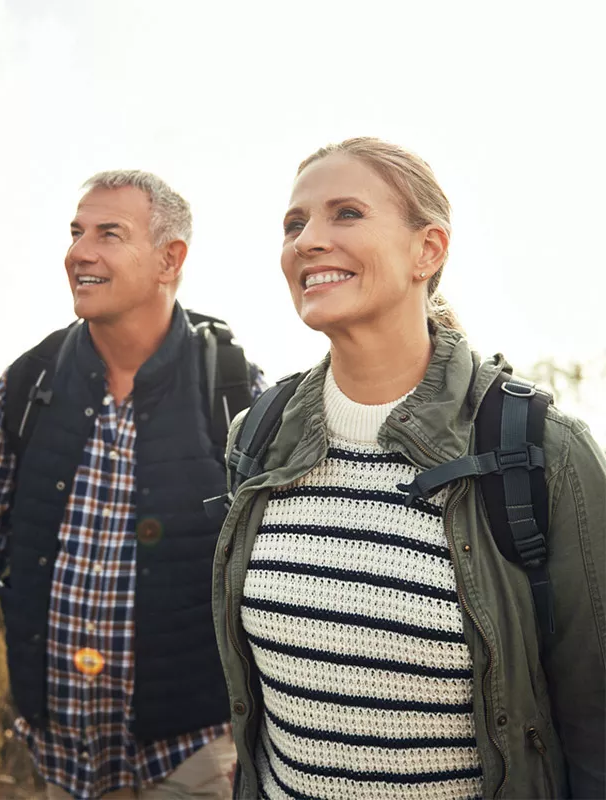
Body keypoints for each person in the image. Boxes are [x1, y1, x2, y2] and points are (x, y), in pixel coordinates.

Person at [213, 138, 606, 799]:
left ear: (428, 251)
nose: (309, 240)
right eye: (294, 223)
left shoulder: (544, 451)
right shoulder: (257, 438)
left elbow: (597, 732)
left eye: (346, 213)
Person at [0, 170, 265, 799]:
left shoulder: (233, 387)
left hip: (196, 754)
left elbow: (269, 573)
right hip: (59, 760)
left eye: (109, 234)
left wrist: (263, 735)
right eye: (76, 232)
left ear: (169, 260)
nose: (78, 252)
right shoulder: (28, 384)